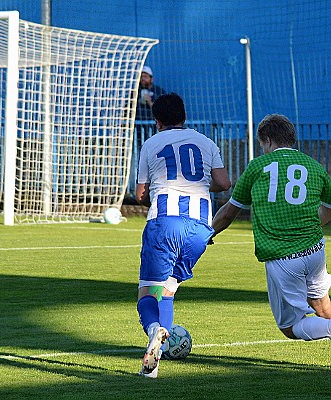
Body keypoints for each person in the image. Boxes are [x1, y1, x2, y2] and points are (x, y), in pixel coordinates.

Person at [211, 113, 331, 342]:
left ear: (266, 140)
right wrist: (311, 223)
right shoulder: (314, 166)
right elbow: (329, 208)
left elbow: (228, 213)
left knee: (291, 326)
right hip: (315, 251)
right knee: (322, 306)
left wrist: (209, 233)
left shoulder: (258, 166)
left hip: (283, 257)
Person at [136, 93, 231, 378]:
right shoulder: (206, 142)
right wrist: (200, 186)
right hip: (200, 228)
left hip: (164, 224)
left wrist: (154, 192)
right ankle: (154, 366)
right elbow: (224, 183)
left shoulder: (151, 143)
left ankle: (155, 331)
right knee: (169, 289)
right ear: (185, 117)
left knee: (147, 294)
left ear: (157, 121)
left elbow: (141, 193)